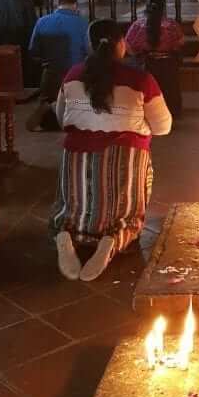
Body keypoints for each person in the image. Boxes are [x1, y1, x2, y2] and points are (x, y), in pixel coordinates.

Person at [50, 19, 172, 282]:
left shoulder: (72, 75)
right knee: (127, 211)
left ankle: (66, 231)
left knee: (72, 207)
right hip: (125, 158)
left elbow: (62, 119)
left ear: (90, 44)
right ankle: (114, 237)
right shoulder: (141, 79)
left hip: (75, 159)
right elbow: (163, 127)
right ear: (122, 44)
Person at [27, 0, 89, 130]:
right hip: (74, 75)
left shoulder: (42, 21)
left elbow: (33, 50)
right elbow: (89, 51)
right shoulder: (83, 24)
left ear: (57, 4)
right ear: (75, 5)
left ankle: (48, 109)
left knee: (50, 100)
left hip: (50, 75)